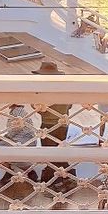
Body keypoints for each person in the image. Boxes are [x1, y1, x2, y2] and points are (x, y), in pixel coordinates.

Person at [31, 59, 76, 190]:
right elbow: (70, 105)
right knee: (58, 153)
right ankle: (63, 179)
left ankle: (64, 178)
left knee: (51, 154)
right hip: (63, 124)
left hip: (48, 125)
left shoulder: (45, 92)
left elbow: (37, 108)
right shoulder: (63, 91)